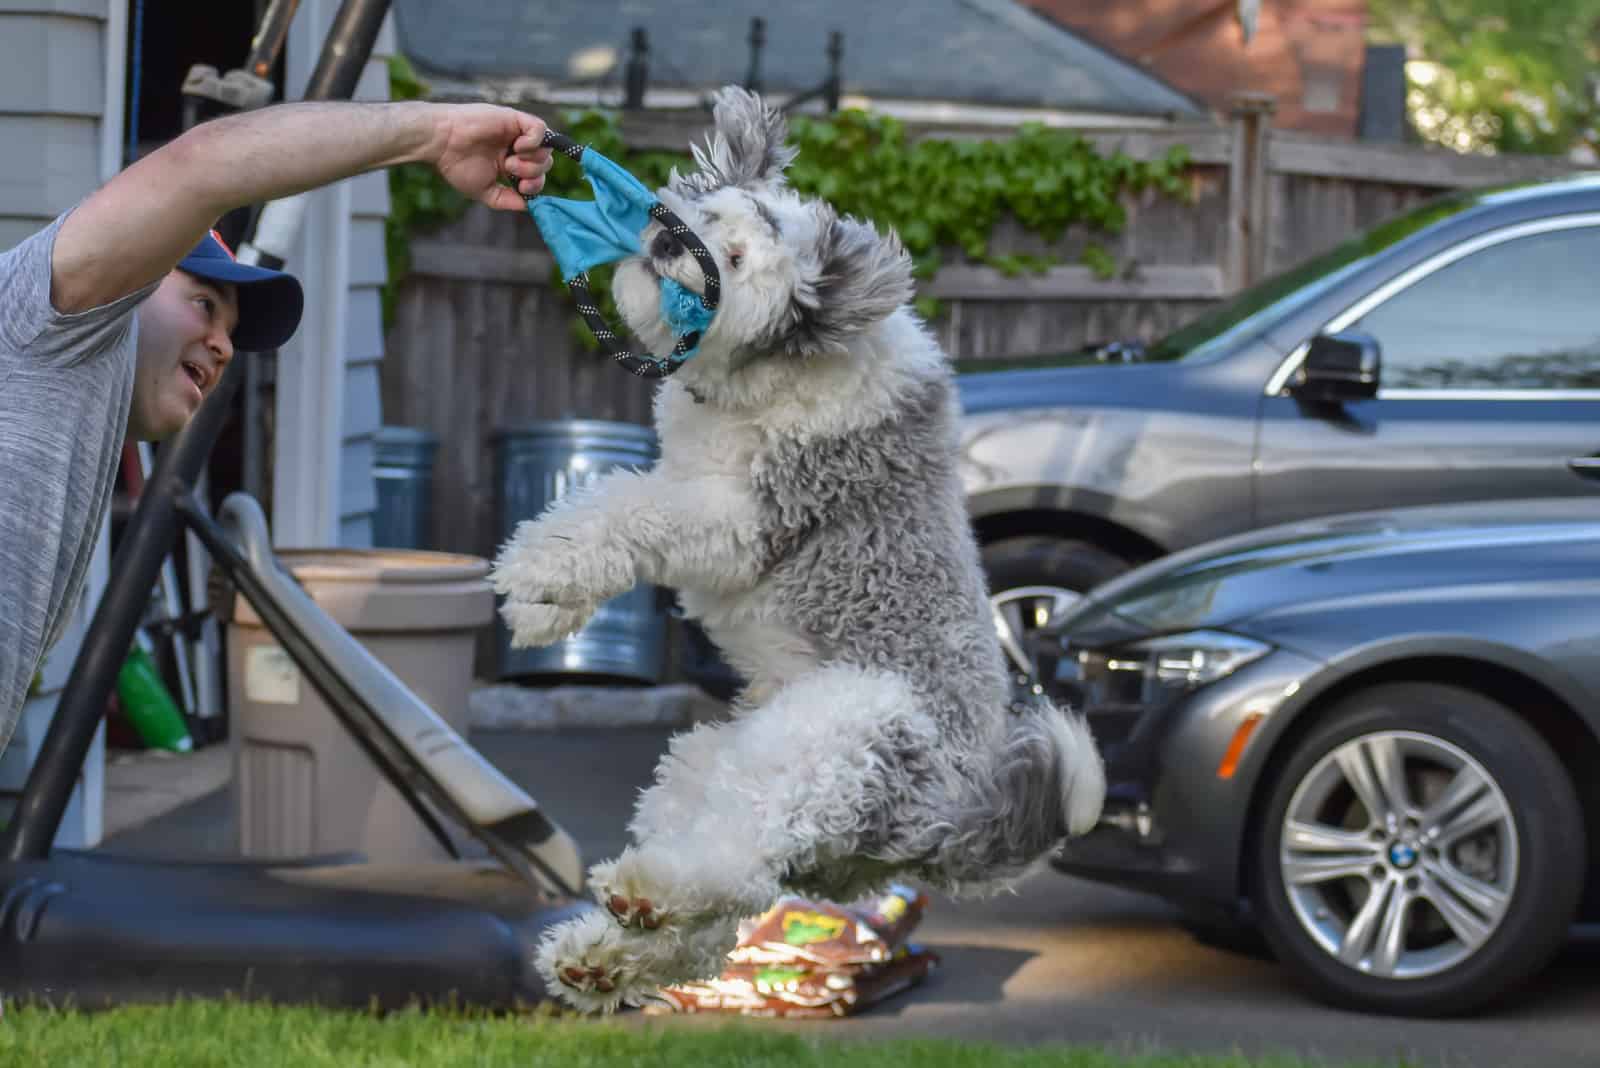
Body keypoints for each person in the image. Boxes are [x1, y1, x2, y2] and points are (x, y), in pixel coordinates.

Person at [0, 99, 554, 751]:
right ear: (133, 276)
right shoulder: (39, 311)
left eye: (231, 332)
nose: (223, 345)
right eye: (204, 304)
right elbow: (201, 165)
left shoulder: (72, 401)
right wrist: (438, 133)